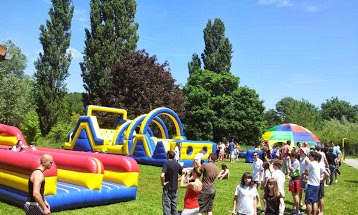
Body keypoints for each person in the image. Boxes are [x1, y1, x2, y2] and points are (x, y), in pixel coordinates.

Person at [161, 151, 183, 215]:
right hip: (175, 188)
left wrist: (163, 183)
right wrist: (177, 180)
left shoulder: (166, 164)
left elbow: (162, 175)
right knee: (174, 206)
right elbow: (184, 173)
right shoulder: (177, 164)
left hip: (167, 188)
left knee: (166, 206)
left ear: (168, 155)